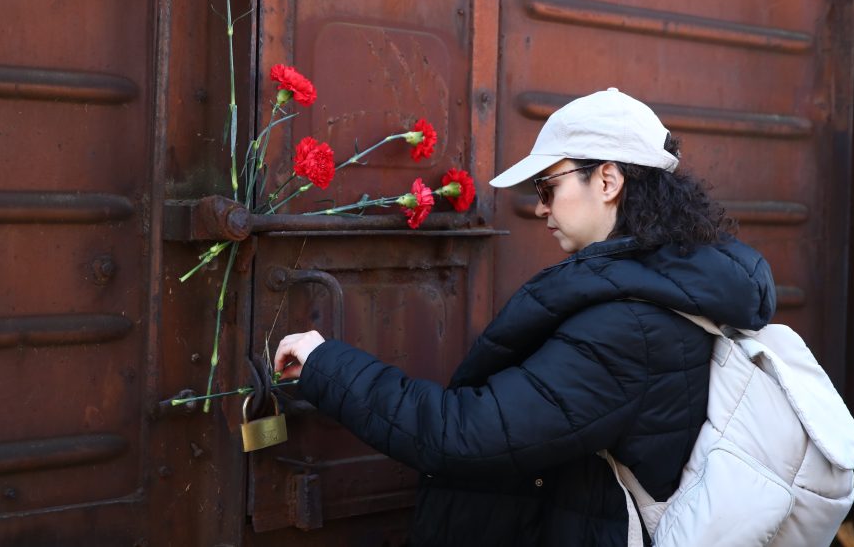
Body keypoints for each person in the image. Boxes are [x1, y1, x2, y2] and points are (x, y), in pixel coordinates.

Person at [274, 88, 776, 546]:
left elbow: (463, 437)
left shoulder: (630, 329)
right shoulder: (670, 284)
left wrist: (325, 364)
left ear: (607, 180)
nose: (540, 208)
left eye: (547, 186)